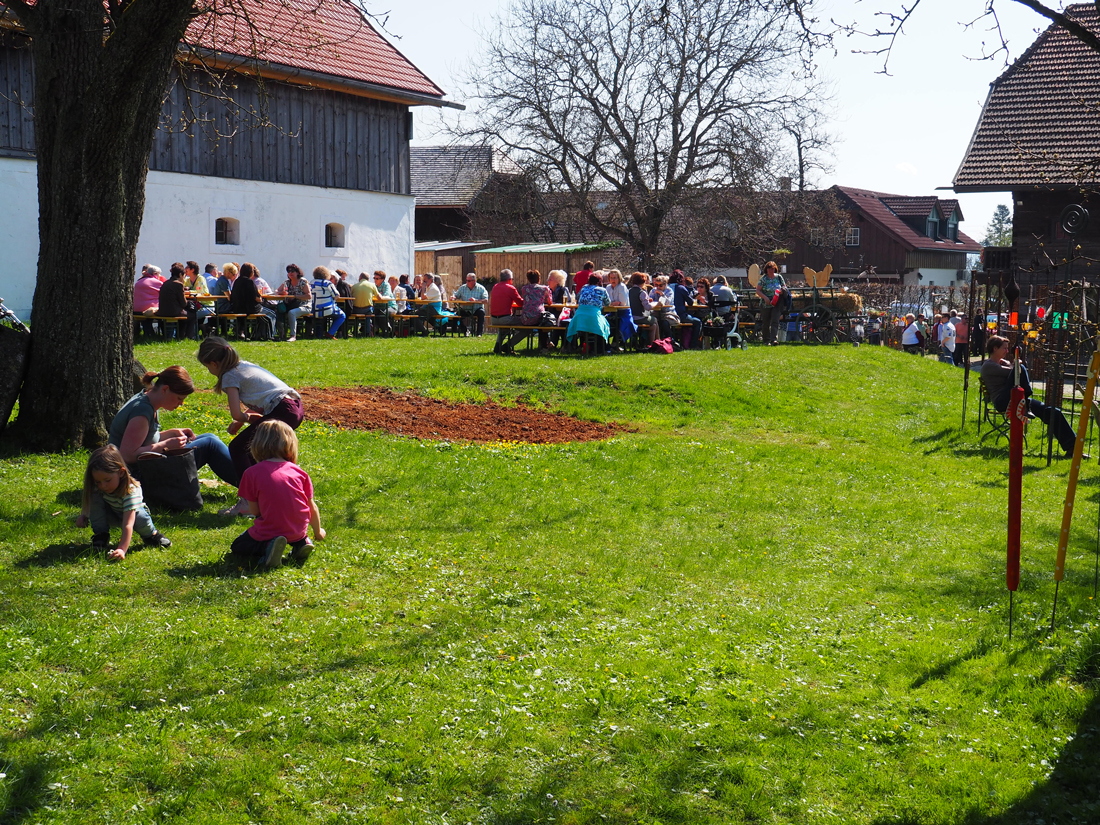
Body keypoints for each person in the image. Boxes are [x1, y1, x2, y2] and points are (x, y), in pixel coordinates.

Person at [196, 337, 304, 512]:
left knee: (239, 447)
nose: (209, 371)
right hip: (294, 407)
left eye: (207, 367)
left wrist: (243, 419)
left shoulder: (229, 376)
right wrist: (244, 420)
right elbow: (263, 397)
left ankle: (248, 501)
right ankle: (268, 495)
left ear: (215, 363)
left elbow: (235, 413)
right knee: (258, 453)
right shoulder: (243, 365)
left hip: (283, 410)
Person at [107, 365, 238, 487]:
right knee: (210, 444)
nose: (181, 403)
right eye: (179, 398)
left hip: (143, 470)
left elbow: (143, 439)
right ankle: (251, 487)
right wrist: (166, 445)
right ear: (165, 389)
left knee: (209, 437)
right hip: (136, 478)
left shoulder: (149, 400)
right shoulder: (142, 412)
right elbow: (127, 455)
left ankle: (250, 482)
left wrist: (172, 433)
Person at [230, 420, 325, 570]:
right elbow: (311, 506)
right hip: (298, 530)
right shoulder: (300, 473)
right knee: (292, 532)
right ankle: (302, 542)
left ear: (257, 445)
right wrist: (318, 532)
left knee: (238, 546)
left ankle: (268, 547)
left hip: (270, 530)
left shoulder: (251, 473)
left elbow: (255, 511)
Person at [981, 335, 1078, 456]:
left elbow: (1014, 371)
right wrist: (1016, 365)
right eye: (1004, 348)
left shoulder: (1003, 362)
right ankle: (1027, 400)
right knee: (1019, 367)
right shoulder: (988, 365)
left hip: (1018, 398)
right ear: (995, 348)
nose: (1007, 351)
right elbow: (1015, 371)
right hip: (1003, 401)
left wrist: (1015, 365)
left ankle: (1073, 448)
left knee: (1053, 412)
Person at [76, 445, 170, 561]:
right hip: (112, 513)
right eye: (98, 481)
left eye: (107, 480)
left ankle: (151, 535)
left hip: (133, 517)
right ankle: (101, 535)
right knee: (95, 497)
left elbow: (128, 524)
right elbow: (90, 500)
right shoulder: (99, 487)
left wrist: (121, 549)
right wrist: (84, 514)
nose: (103, 485)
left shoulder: (130, 491)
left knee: (139, 517)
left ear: (121, 472)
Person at [506, 269, 556, 353]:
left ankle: (546, 344)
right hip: (538, 318)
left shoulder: (524, 289)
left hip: (526, 318)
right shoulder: (544, 289)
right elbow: (550, 302)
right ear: (539, 278)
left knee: (541, 322)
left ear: (528, 279)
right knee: (544, 321)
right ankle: (545, 346)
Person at [229, 262, 276, 338]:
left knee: (264, 317)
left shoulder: (237, 281)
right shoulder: (249, 282)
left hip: (237, 308)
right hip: (250, 308)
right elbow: (257, 298)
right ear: (250, 272)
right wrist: (261, 299)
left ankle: (259, 333)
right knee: (272, 314)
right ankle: (271, 335)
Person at [567, 271, 612, 349]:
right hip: (594, 317)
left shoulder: (584, 288)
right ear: (600, 281)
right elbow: (608, 303)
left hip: (579, 317)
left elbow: (577, 297)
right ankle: (603, 347)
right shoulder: (602, 290)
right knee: (605, 323)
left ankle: (575, 346)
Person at [490, 269, 523, 355]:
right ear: (509, 279)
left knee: (505, 327)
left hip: (493, 319)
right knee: (527, 327)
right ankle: (507, 345)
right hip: (505, 319)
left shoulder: (495, 286)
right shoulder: (510, 288)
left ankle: (498, 346)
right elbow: (520, 303)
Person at [754, 260, 786, 346]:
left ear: (775, 269)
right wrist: (765, 297)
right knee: (766, 322)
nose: (770, 271)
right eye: (769, 269)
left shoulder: (779, 277)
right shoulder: (763, 279)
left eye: (772, 269)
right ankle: (766, 340)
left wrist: (781, 291)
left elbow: (784, 287)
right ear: (766, 270)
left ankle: (773, 340)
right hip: (766, 303)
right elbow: (758, 290)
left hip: (777, 302)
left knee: (775, 321)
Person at [277, 263, 312, 342]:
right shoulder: (287, 282)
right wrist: (281, 292)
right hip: (290, 305)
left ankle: (293, 336)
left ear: (297, 272)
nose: (290, 273)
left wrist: (295, 296)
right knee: (277, 309)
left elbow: (308, 296)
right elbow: (277, 290)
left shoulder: (303, 281)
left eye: (293, 271)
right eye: (289, 271)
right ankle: (281, 333)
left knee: (291, 313)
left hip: (304, 306)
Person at [310, 265, 345, 338]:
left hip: (314, 309)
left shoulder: (312, 282)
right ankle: (330, 333)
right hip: (327, 309)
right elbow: (337, 295)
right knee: (342, 315)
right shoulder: (327, 283)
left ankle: (318, 334)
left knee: (319, 318)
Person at [669, 270, 702, 349]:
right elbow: (690, 302)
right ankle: (693, 345)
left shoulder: (667, 288)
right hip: (680, 316)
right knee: (698, 322)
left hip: (668, 315)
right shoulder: (681, 288)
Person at [628, 271, 659, 346]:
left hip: (631, 317)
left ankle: (653, 343)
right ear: (643, 281)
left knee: (653, 326)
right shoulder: (642, 292)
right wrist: (655, 304)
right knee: (655, 320)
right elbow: (648, 307)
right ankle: (655, 342)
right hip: (639, 317)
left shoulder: (629, 291)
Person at [453, 272, 489, 336]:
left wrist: (476, 300)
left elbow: (486, 300)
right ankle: (465, 330)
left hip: (476, 309)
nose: (467, 282)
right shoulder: (462, 288)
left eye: (469, 281)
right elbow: (456, 295)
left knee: (481, 313)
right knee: (456, 316)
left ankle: (479, 333)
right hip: (465, 309)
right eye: (466, 280)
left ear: (474, 281)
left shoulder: (481, 288)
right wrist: (454, 297)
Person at [351, 272, 380, 336]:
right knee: (369, 315)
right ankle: (367, 333)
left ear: (360, 277)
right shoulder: (372, 285)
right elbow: (379, 298)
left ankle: (355, 331)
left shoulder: (354, 286)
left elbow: (350, 297)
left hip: (356, 309)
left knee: (357, 316)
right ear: (368, 279)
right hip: (367, 309)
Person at [373, 270, 397, 335]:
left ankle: (387, 330)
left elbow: (387, 295)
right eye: (374, 278)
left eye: (377, 278)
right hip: (379, 306)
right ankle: (376, 330)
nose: (375, 280)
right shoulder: (375, 286)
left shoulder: (386, 285)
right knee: (372, 313)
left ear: (382, 279)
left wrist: (379, 297)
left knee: (382, 313)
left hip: (390, 307)